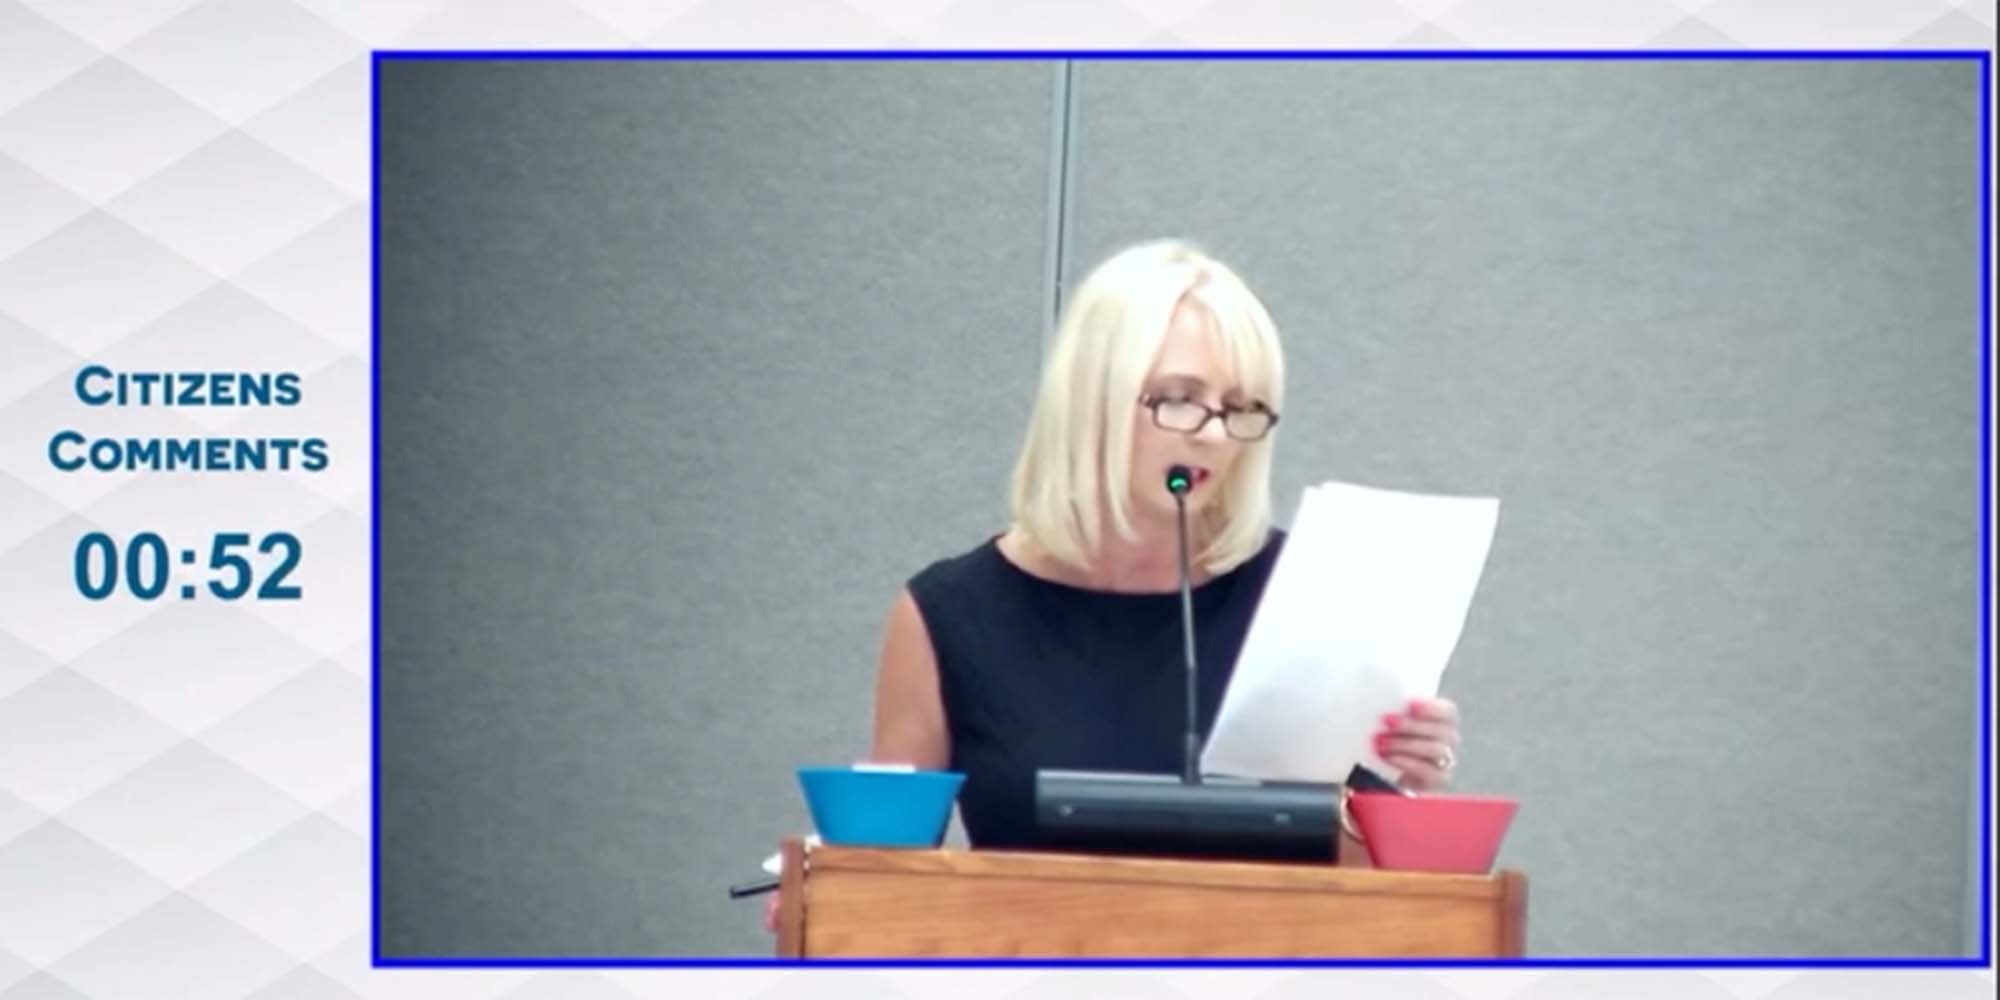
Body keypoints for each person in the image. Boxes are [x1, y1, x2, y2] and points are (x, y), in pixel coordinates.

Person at [764, 238, 1461, 930]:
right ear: (1091, 399)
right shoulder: (948, 616)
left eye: (1240, 407)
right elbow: (889, 884)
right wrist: (830, 895)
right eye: (1182, 400)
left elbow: (1374, 911)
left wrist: (1399, 795)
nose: (1214, 436)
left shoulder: (1310, 596)